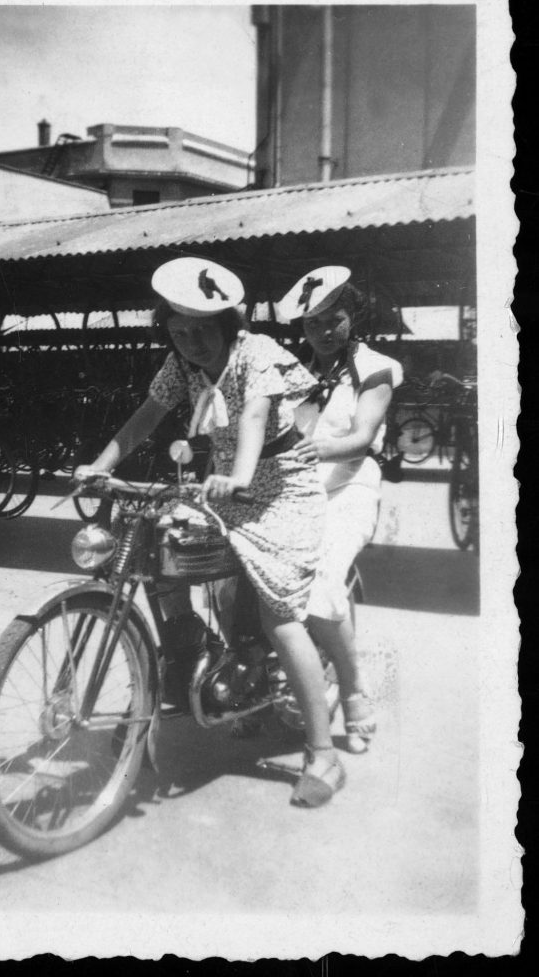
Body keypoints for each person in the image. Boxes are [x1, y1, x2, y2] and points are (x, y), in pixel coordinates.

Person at [75, 256, 345, 807]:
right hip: (223, 484)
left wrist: (241, 476)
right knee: (155, 549)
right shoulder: (181, 366)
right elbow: (145, 417)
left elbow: (253, 416)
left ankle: (324, 754)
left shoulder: (257, 353)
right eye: (179, 331)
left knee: (279, 616)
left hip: (280, 490)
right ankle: (184, 660)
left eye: (202, 330)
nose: (192, 341)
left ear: (226, 325)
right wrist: (100, 466)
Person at [277, 266, 403, 753]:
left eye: (334, 319)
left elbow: (363, 437)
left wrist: (318, 451)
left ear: (353, 316)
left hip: (351, 484)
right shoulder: (293, 372)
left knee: (323, 585)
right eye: (313, 324)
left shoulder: (374, 367)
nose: (324, 332)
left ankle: (353, 691)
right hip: (297, 487)